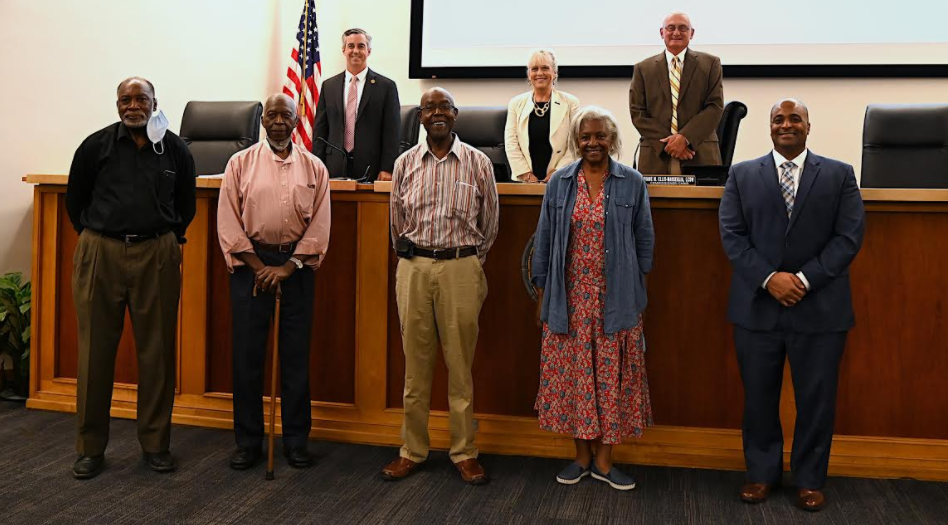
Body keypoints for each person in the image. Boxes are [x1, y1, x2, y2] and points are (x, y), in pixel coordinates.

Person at [719, 99, 865, 512]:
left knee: (817, 399)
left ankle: (809, 479)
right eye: (779, 119)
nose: (786, 125)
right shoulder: (742, 174)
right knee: (759, 399)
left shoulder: (839, 174)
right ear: (768, 127)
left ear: (808, 126)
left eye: (794, 118)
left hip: (819, 307)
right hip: (757, 307)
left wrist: (802, 280)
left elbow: (848, 238)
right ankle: (761, 474)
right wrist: (770, 279)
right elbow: (732, 235)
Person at [65, 77, 196, 479]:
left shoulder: (174, 149)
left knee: (156, 354)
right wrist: (99, 239)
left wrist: (165, 240)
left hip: (156, 252)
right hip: (100, 252)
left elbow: (185, 205)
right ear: (117, 104)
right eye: (126, 99)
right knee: (94, 355)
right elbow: (76, 201)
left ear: (155, 103)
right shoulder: (95, 146)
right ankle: (90, 448)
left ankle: (156, 445)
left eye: (142, 98)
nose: (133, 105)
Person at [531, 106, 654, 491]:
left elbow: (644, 241)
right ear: (576, 141)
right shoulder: (560, 183)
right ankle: (581, 458)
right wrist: (541, 291)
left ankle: (605, 461)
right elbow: (545, 238)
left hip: (615, 302)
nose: (593, 142)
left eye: (601, 136)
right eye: (585, 137)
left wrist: (637, 296)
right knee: (575, 380)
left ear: (612, 139)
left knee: (610, 382)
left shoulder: (632, 182)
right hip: (568, 303)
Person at [382, 88, 499, 485]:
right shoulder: (404, 164)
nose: (436, 113)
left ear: (455, 115)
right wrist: (416, 257)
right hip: (413, 267)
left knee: (460, 366)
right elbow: (396, 221)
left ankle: (464, 451)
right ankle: (411, 450)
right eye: (428, 107)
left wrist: (468, 260)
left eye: (443, 107)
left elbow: (491, 223)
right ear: (419, 117)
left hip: (461, 268)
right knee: (415, 368)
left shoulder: (478, 163)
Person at [217, 93, 331, 471]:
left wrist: (290, 266)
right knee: (248, 358)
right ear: (262, 120)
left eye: (287, 115)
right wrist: (257, 264)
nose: (279, 121)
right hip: (251, 268)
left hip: (296, 270)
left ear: (298, 121)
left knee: (295, 359)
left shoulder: (315, 167)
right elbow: (228, 221)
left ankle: (296, 441)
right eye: (272, 114)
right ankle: (248, 442)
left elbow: (320, 225)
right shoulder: (239, 164)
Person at [629, 11, 723, 175]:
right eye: (670, 28)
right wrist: (670, 144)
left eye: (683, 28)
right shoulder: (643, 68)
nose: (676, 33)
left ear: (691, 33)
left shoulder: (710, 64)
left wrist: (685, 138)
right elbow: (638, 112)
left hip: (699, 153)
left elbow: (715, 107)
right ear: (662, 32)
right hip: (655, 155)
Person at [313, 28, 400, 182]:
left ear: (369, 51)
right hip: (334, 167)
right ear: (343, 50)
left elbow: (392, 132)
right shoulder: (329, 86)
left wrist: (387, 168)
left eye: (361, 46)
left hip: (371, 168)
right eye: (351, 46)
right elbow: (320, 130)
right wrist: (317, 165)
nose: (355, 51)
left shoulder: (386, 87)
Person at [504, 49, 580, 183]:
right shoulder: (515, 103)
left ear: (554, 73)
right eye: (534, 69)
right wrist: (526, 175)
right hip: (525, 182)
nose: (539, 73)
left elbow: (575, 142)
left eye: (545, 68)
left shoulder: (571, 103)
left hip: (562, 179)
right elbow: (511, 143)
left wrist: (558, 172)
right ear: (529, 74)